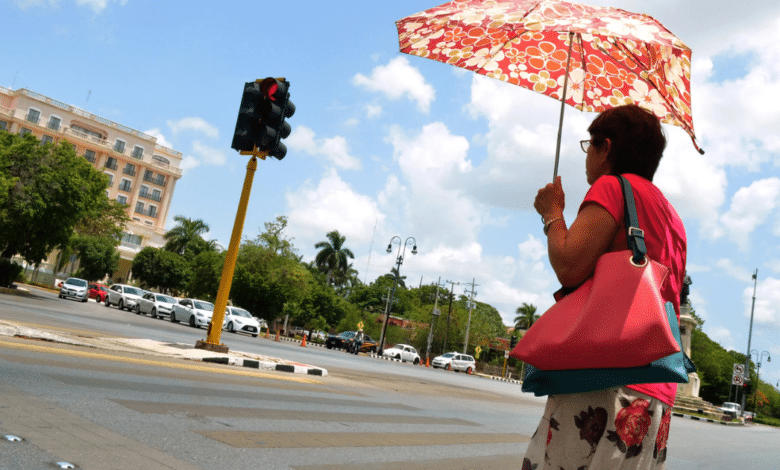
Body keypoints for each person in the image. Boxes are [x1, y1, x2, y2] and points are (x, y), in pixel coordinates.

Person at [525, 104, 686, 469]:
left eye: (589, 146)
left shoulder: (612, 187)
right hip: (655, 391)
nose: (587, 157)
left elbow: (569, 265)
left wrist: (553, 215)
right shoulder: (670, 214)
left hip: (604, 380)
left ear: (607, 147)